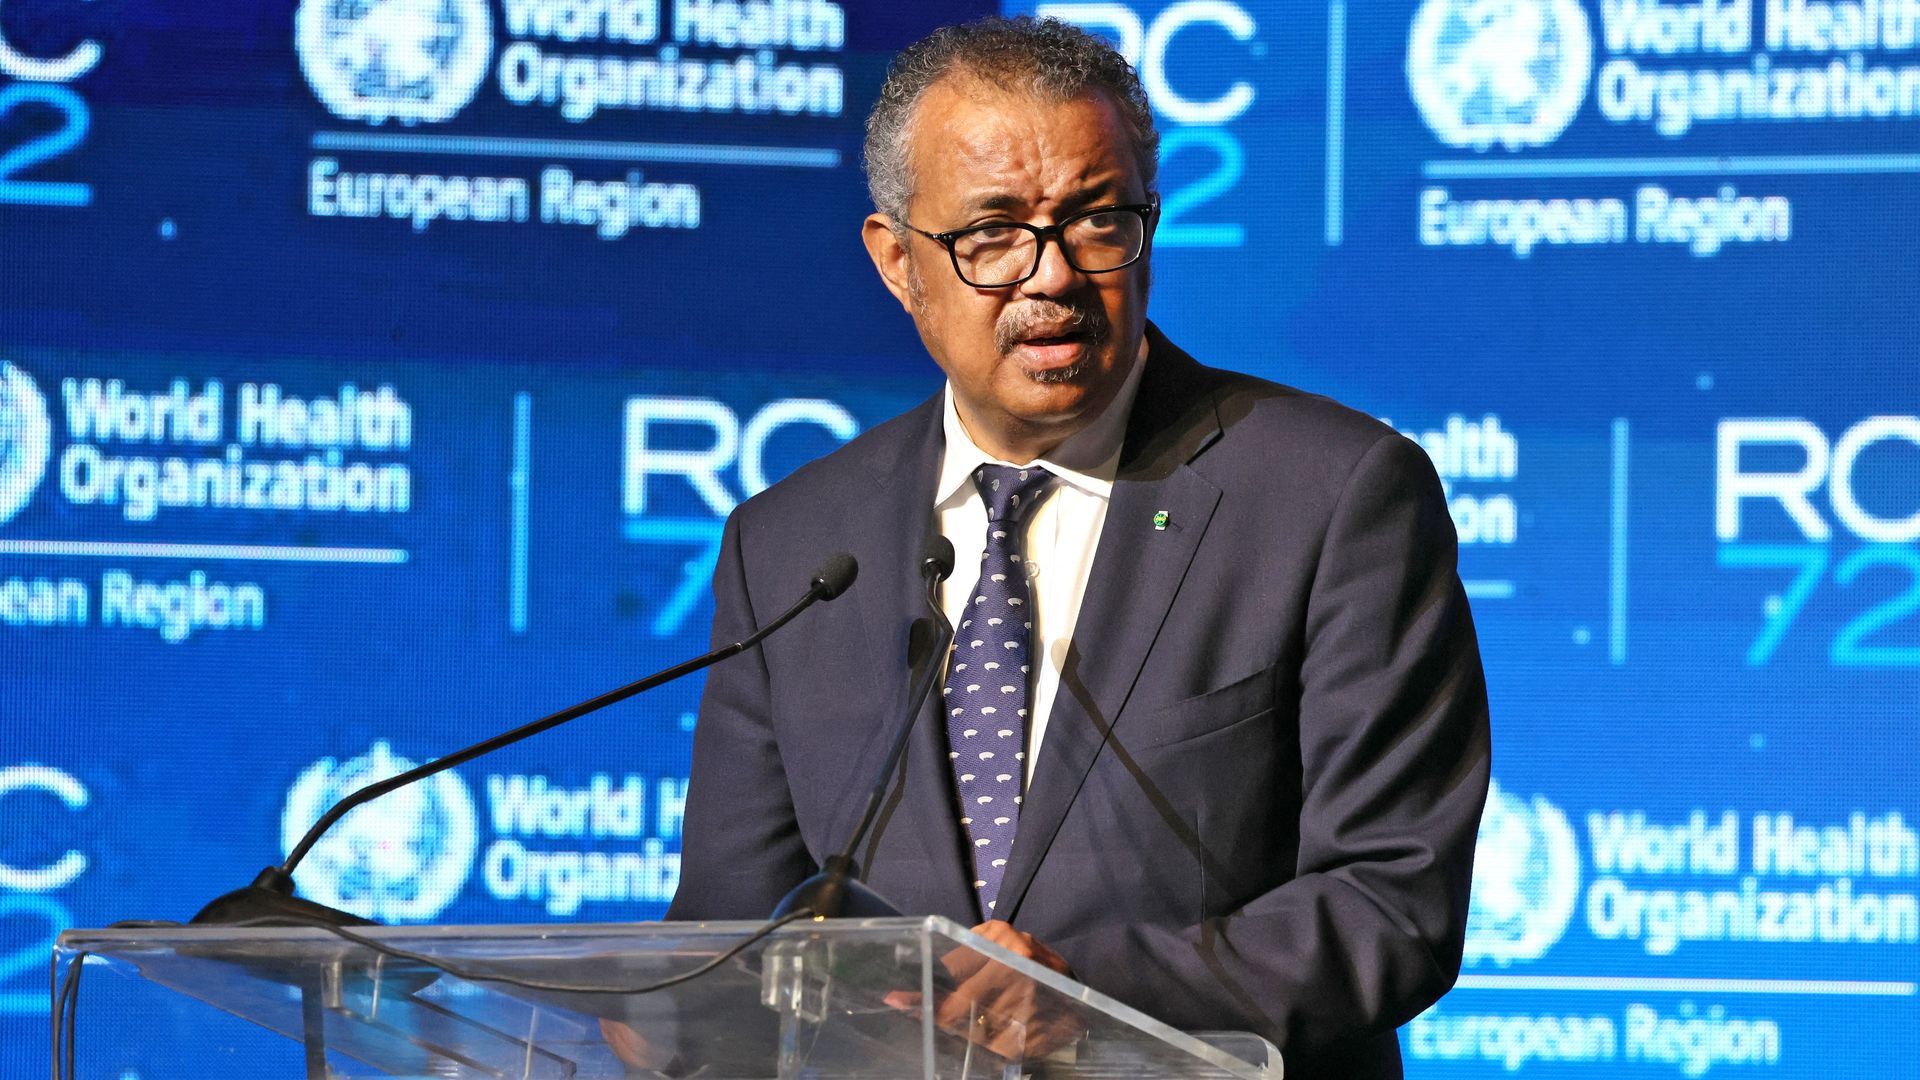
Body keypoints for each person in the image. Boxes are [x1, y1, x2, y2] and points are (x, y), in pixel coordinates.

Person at [665, 16, 1491, 1078]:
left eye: (1098, 223)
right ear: (897, 261)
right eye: (993, 234)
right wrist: (653, 1017)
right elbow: (732, 938)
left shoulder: (1330, 498)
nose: (1050, 277)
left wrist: (1087, 993)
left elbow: (1393, 901)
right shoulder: (793, 548)